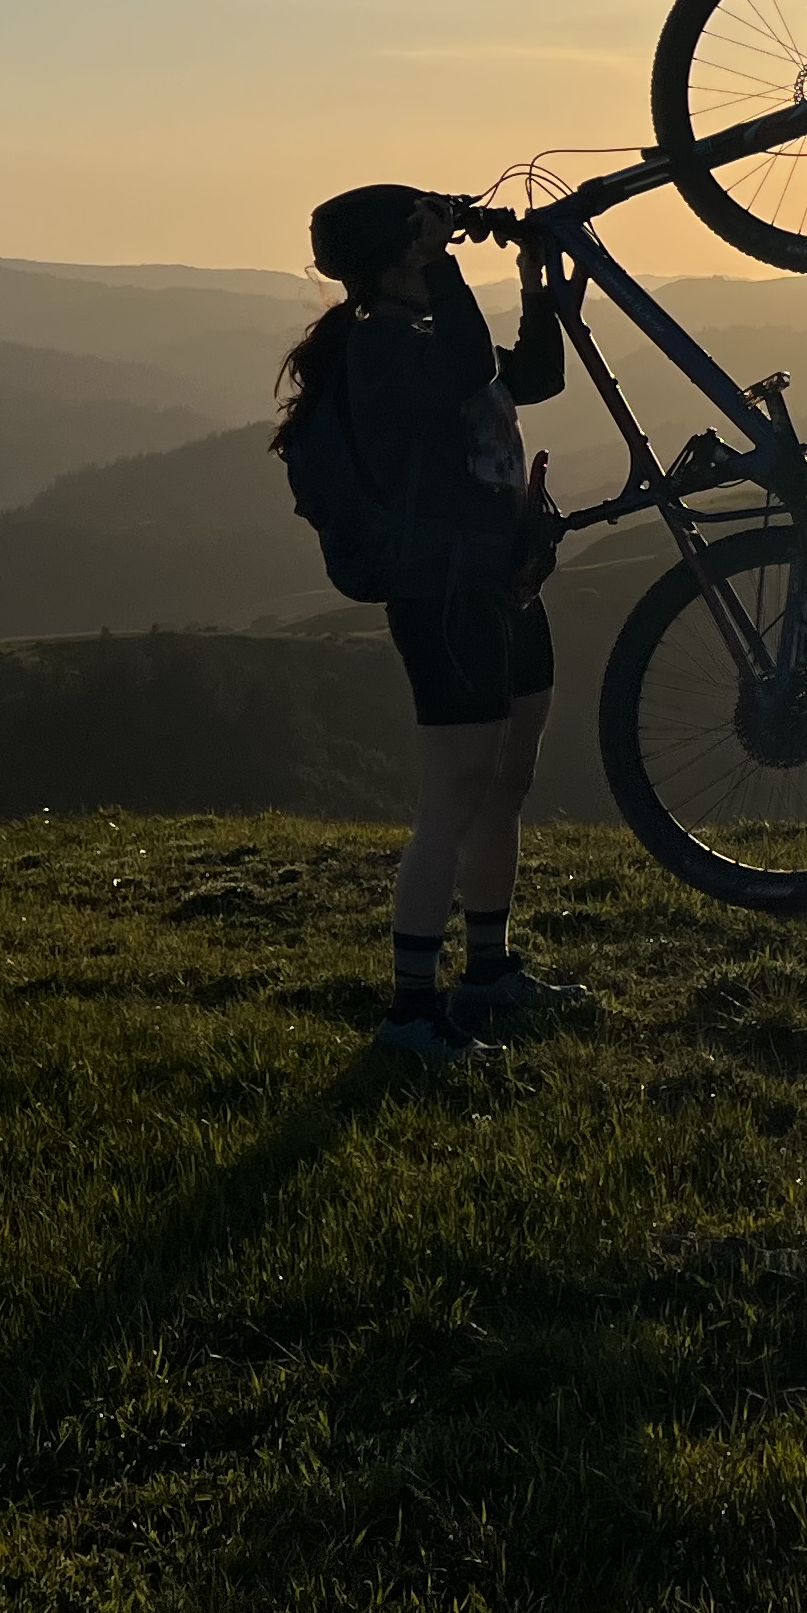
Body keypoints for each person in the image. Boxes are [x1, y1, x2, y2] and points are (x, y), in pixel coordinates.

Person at [274, 183, 574, 1062]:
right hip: (442, 594)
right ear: (400, 252)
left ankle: (488, 972)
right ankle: (410, 1013)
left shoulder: (421, 339)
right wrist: (446, 264)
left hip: (502, 582)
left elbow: (536, 377)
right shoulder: (379, 349)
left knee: (506, 783)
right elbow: (467, 367)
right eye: (421, 230)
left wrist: (535, 285)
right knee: (453, 797)